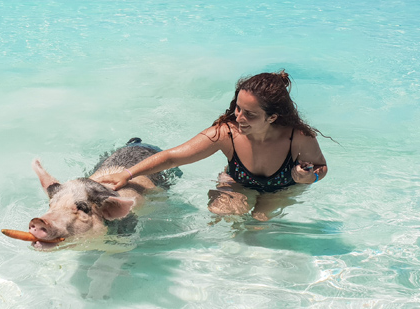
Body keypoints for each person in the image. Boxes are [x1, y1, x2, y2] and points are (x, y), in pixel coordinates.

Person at [98, 70, 327, 221]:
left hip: (283, 187)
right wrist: (128, 174)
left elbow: (320, 167)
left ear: (272, 117)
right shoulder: (225, 133)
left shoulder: (298, 137)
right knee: (223, 216)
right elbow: (173, 157)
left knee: (260, 222)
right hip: (237, 182)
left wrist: (309, 177)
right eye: (238, 108)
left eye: (250, 114)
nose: (239, 118)